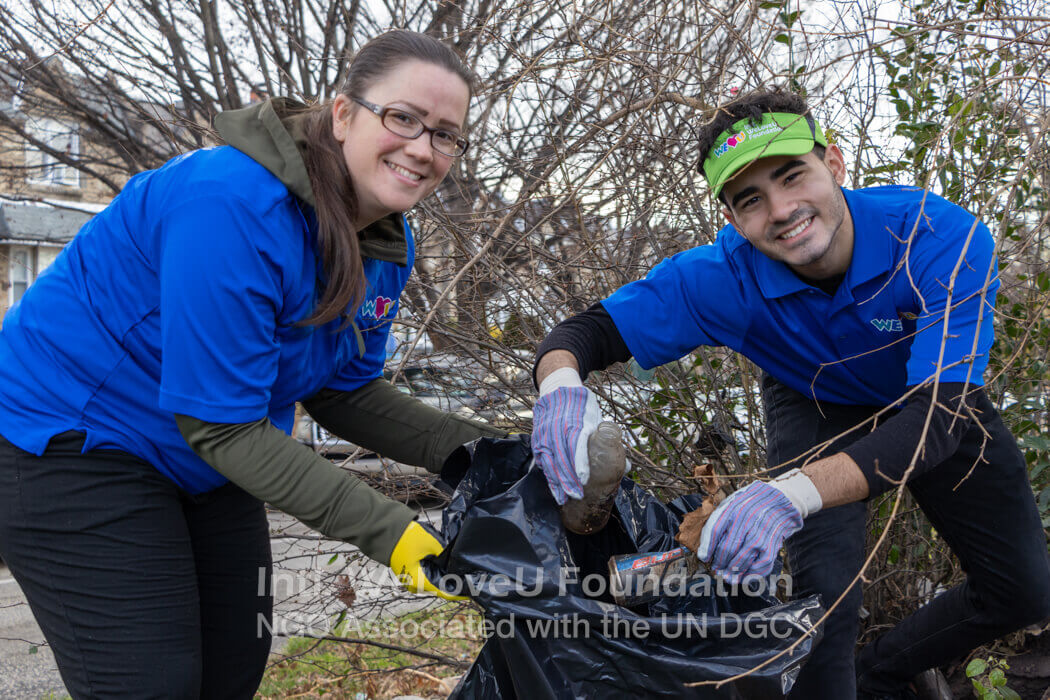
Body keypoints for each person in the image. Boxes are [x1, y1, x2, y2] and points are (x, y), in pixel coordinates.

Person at [0, 29, 505, 699]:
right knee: (153, 685)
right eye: (403, 117)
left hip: (207, 454)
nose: (422, 148)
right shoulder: (229, 203)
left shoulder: (385, 242)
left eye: (445, 135)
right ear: (343, 114)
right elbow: (221, 426)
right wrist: (395, 535)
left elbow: (343, 391)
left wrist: (498, 454)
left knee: (233, 666)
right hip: (71, 439)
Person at [530, 88, 1050, 698]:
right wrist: (559, 386)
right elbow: (587, 333)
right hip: (815, 399)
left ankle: (878, 677)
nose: (780, 210)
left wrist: (791, 494)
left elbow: (937, 419)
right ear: (733, 220)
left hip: (933, 405)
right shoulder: (723, 277)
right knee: (822, 610)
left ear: (834, 164)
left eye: (792, 175)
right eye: (751, 199)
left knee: (1023, 591)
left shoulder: (937, 236)